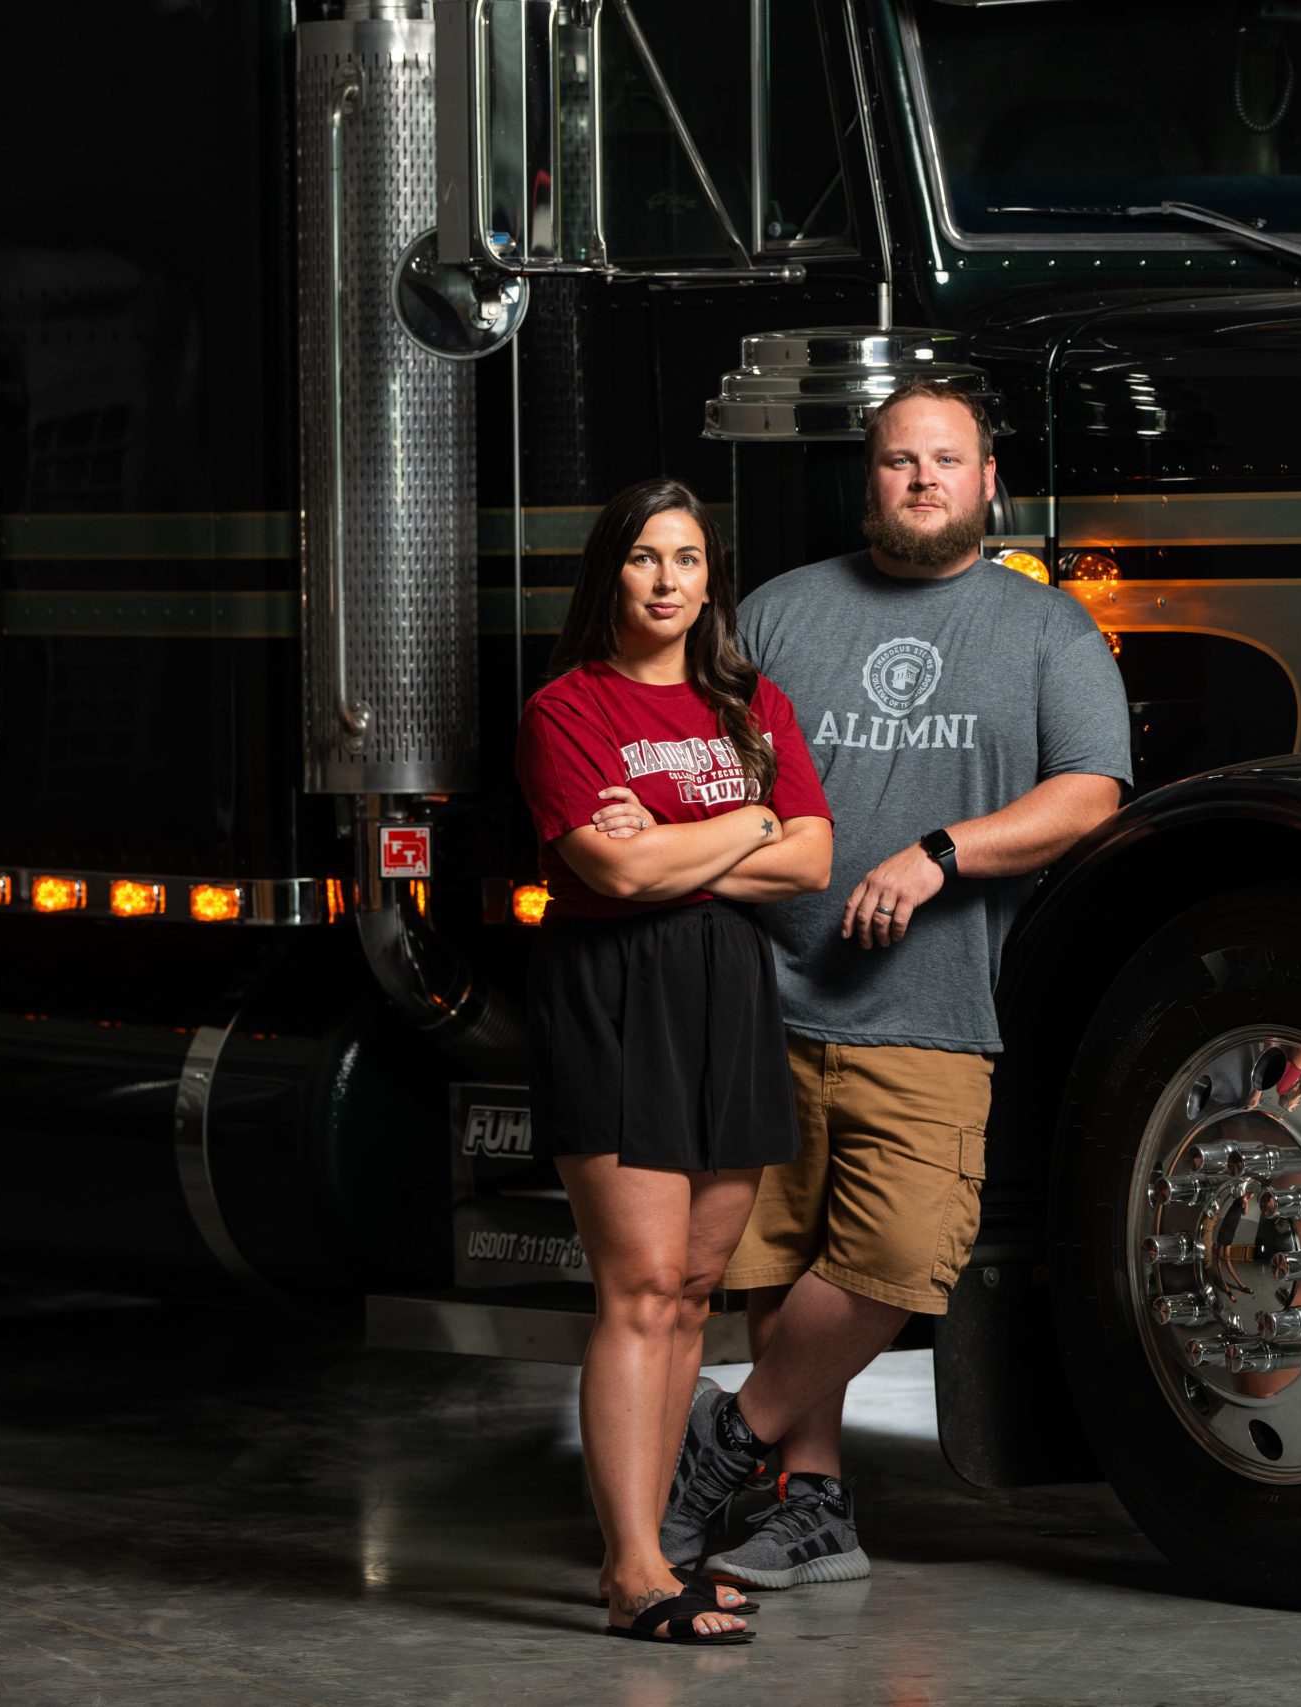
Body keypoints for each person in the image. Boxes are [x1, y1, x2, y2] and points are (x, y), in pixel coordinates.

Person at [658, 379, 1133, 1589]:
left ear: (988, 485)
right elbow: (712, 775)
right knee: (776, 1257)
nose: (920, 478)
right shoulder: (778, 612)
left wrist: (937, 857)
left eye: (944, 460)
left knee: (903, 1251)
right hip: (761, 992)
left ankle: (727, 1435)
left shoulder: (1047, 631)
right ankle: (810, 1507)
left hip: (931, 1009)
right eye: (896, 461)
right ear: (865, 480)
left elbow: (1089, 794)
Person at [513, 476, 834, 1643]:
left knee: (696, 1295)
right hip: (612, 995)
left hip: (726, 997)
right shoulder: (566, 709)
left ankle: (662, 1551)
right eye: (646, 558)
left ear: (711, 579)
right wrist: (751, 825)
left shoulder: (753, 705)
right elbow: (612, 875)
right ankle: (633, 1568)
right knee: (638, 1287)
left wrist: (704, 839)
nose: (666, 581)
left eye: (688, 560)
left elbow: (809, 859)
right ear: (612, 573)